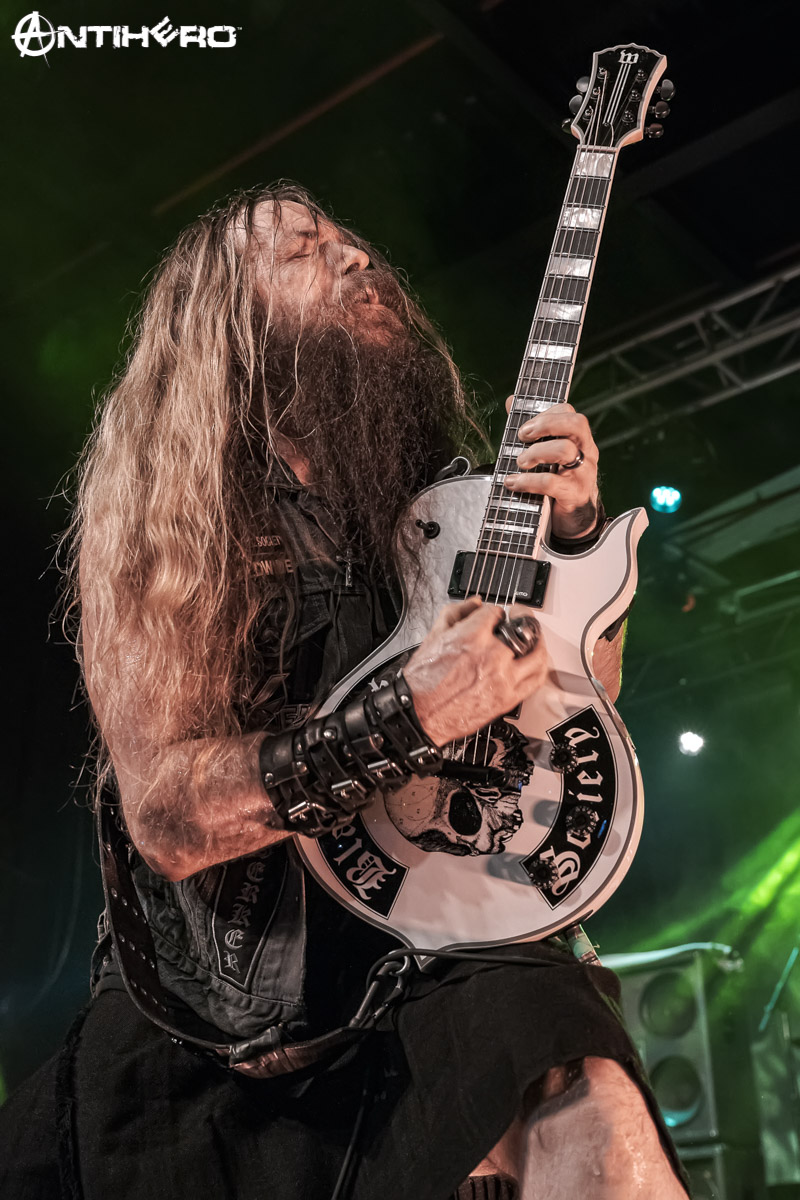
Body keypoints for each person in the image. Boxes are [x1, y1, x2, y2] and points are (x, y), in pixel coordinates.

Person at [0, 183, 689, 1199]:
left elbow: (575, 706)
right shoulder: (169, 526)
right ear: (229, 329)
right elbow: (170, 818)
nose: (356, 257)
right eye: (301, 250)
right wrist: (406, 715)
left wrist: (576, 545)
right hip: (223, 1021)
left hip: (438, 952)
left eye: (352, 240)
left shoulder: (439, 510)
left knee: (588, 1090)